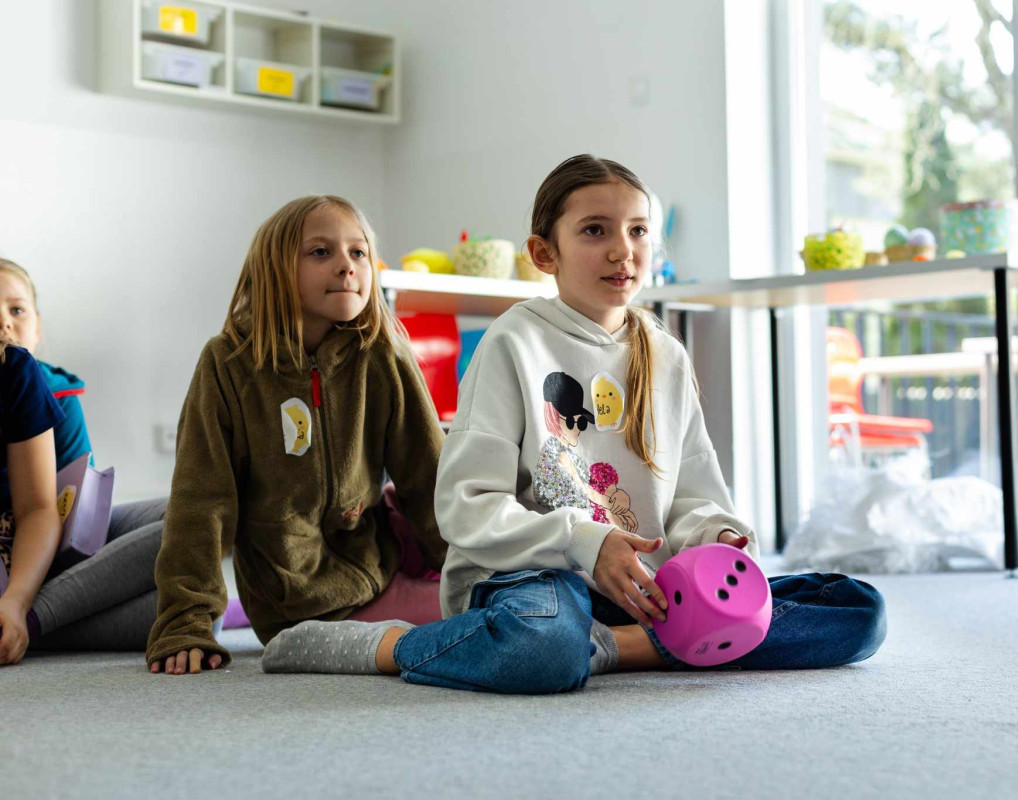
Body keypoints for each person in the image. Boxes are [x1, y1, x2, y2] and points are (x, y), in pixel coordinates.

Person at [261, 156, 886, 692]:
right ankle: (388, 646)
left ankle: (616, 647)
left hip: (645, 590)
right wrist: (585, 541)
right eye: (595, 230)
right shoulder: (513, 343)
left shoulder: (666, 355)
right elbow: (465, 508)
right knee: (540, 644)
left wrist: (715, 536)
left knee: (859, 612)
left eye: (638, 230)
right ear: (544, 253)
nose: (622, 250)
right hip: (534, 582)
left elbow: (694, 497)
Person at [145, 195, 445, 675]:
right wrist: (185, 622)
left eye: (358, 252)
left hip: (378, 550)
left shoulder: (382, 353)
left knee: (495, 555)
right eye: (321, 252)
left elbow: (429, 478)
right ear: (274, 270)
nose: (347, 266)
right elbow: (200, 504)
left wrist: (476, 577)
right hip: (304, 597)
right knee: (486, 624)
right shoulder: (227, 364)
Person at [0, 258, 168, 661]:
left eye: (16, 310)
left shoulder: (27, 378)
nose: (4, 322)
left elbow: (60, 508)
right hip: (21, 558)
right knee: (180, 609)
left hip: (44, 546)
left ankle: (22, 620)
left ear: (37, 324)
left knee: (197, 517)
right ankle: (27, 624)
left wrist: (18, 598)